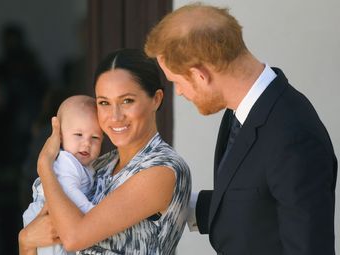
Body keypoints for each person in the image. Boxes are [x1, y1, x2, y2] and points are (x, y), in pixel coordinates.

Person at [144, 3, 337, 255]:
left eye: (177, 82)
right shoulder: (242, 110)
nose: (179, 92)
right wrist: (166, 201)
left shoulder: (294, 136)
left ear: (200, 75)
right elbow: (253, 203)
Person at [18, 48, 191, 255]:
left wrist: (45, 165)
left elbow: (74, 238)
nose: (115, 116)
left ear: (156, 99)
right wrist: (26, 240)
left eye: (127, 100)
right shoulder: (97, 165)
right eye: (104, 103)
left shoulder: (162, 169)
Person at [22, 95, 103, 255]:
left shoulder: (85, 164)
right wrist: (92, 213)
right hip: (46, 220)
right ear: (60, 137)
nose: (86, 143)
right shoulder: (67, 162)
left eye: (95, 137)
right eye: (78, 135)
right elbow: (70, 191)